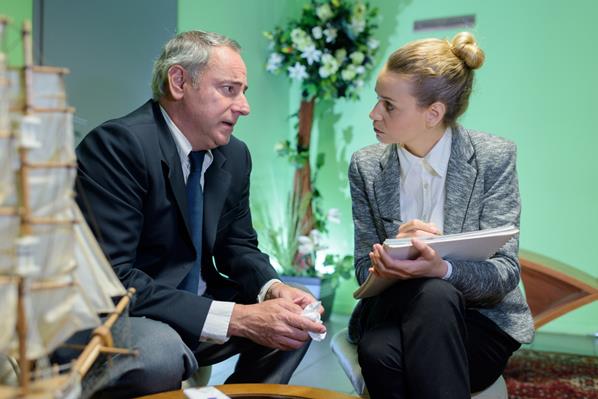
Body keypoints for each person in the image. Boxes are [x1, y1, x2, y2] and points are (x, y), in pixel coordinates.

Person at [74, 30, 326, 398]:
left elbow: (238, 245)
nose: (244, 106)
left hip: (196, 303)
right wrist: (238, 318)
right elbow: (114, 280)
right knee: (160, 351)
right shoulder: (117, 146)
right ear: (179, 82)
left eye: (244, 91)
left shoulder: (234, 155)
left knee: (294, 318)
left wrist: (274, 288)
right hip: (131, 314)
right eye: (229, 89)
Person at [347, 32, 534, 398]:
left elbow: (505, 273)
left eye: (388, 104)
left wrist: (442, 269)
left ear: (433, 113)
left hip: (478, 320)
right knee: (421, 308)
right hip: (394, 309)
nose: (374, 113)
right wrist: (391, 251)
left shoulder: (493, 159)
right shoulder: (366, 167)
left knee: (384, 349)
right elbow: (360, 270)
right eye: (377, 100)